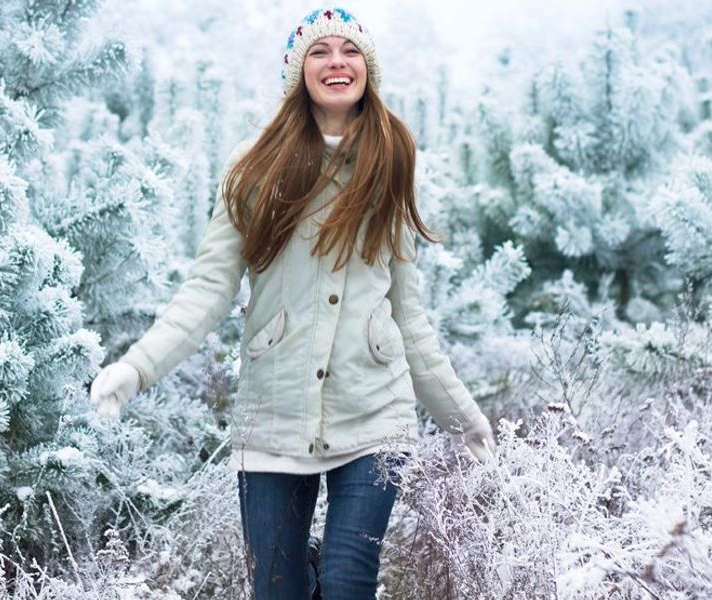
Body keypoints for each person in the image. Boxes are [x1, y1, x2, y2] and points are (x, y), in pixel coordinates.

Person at [90, 6, 497, 599]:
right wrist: (137, 367)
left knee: (347, 582)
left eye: (350, 50)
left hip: (374, 414)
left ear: (368, 68)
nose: (337, 62)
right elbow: (209, 288)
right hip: (274, 416)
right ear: (298, 71)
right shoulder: (255, 166)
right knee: (276, 588)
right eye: (320, 51)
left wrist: (464, 421)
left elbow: (408, 315)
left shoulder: (391, 162)